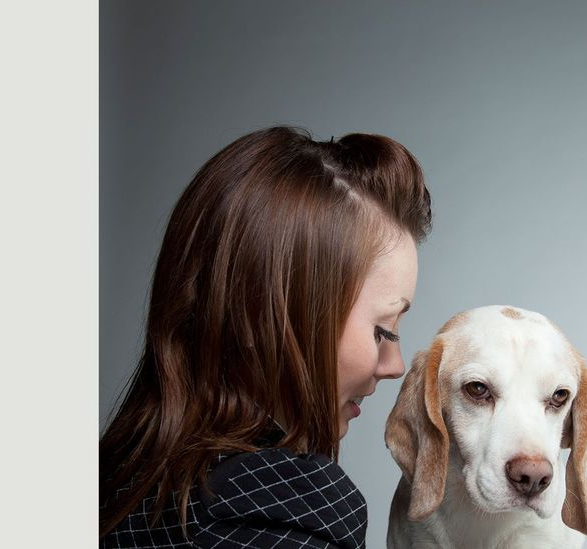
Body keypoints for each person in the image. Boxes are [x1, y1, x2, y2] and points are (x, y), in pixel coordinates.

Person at [99, 126, 432, 548]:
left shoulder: (117, 481)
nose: (394, 366)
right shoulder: (286, 517)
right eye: (383, 330)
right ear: (267, 314)